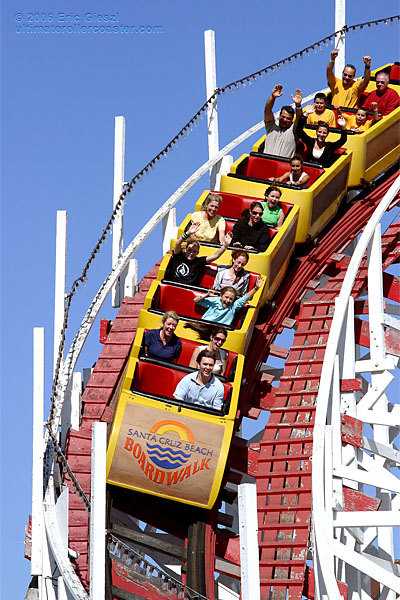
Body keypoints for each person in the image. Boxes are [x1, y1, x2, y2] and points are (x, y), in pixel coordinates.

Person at [165, 223, 232, 286]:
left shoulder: (198, 262)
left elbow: (215, 256)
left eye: (194, 251)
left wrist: (225, 246)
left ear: (197, 253)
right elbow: (178, 243)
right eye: (189, 250)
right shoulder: (179, 256)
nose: (191, 253)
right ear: (186, 249)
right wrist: (188, 233)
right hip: (173, 286)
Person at [194, 277, 263, 326]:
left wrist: (256, 288)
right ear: (221, 296)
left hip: (219, 331)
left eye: (231, 299)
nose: (228, 301)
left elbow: (244, 298)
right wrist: (206, 295)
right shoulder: (215, 300)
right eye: (226, 297)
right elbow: (196, 300)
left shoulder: (233, 306)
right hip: (205, 325)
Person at [263, 85, 303, 157]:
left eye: (288, 118)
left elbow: (300, 119)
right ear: (279, 116)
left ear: (292, 120)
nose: (285, 120)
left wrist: (298, 105)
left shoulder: (293, 130)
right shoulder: (272, 125)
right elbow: (267, 110)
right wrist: (272, 97)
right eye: (283, 117)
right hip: (266, 164)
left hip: (283, 166)